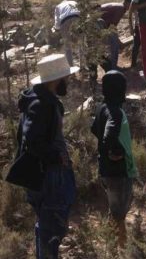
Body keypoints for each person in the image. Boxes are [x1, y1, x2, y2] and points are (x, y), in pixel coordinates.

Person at [12, 54, 78, 258]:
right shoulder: (41, 104)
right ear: (55, 80)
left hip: (46, 174)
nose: (68, 81)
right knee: (52, 229)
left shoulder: (39, 99)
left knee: (48, 225)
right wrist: (56, 158)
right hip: (49, 176)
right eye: (65, 77)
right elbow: (31, 140)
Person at [90, 70, 136, 247]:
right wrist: (115, 151)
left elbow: (94, 129)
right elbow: (109, 134)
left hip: (105, 169)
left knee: (114, 210)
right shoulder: (115, 112)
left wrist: (105, 149)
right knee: (119, 214)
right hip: (118, 172)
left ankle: (111, 244)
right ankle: (121, 249)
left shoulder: (102, 107)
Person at [97, 0, 132, 71]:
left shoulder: (120, 6)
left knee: (110, 45)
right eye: (131, 4)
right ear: (126, 2)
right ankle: (113, 68)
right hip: (98, 24)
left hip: (99, 24)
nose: (132, 6)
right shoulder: (121, 8)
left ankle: (112, 67)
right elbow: (112, 26)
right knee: (114, 45)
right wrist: (118, 41)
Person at [53, 0, 81, 66]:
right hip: (77, 18)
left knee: (67, 45)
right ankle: (83, 65)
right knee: (81, 42)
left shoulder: (58, 6)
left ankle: (70, 66)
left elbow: (57, 21)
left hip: (65, 21)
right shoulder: (74, 2)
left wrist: (56, 28)